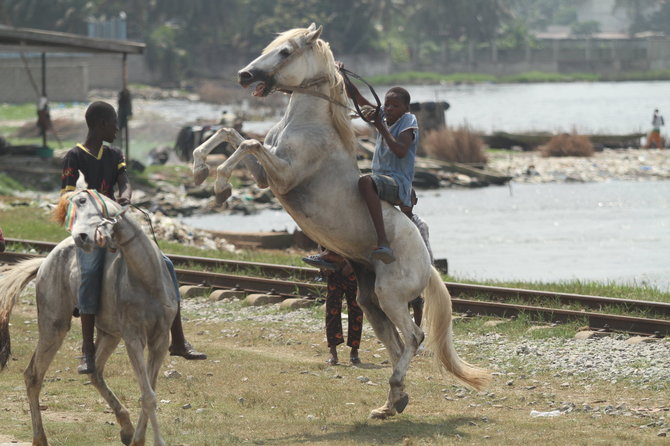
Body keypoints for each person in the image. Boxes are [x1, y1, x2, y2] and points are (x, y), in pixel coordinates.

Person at [61, 101, 206, 375]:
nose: (117, 127)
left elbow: (124, 180)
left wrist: (125, 194)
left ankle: (178, 339)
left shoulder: (114, 153)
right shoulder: (74, 157)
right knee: (90, 273)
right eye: (114, 122)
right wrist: (94, 204)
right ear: (101, 124)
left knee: (165, 264)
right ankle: (87, 349)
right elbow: (68, 196)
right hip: (90, 230)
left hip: (117, 222)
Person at [303, 70, 419, 268]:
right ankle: (334, 251)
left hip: (397, 183)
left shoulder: (408, 121)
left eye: (395, 106)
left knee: (365, 181)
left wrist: (380, 126)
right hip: (381, 180)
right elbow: (356, 96)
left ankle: (383, 242)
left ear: (406, 108)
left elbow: (400, 151)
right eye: (387, 104)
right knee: (345, 189)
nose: (389, 109)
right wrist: (340, 73)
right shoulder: (382, 115)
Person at [320, 250, 362, 365]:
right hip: (333, 273)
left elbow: (359, 247)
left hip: (352, 273)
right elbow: (321, 249)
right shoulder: (326, 232)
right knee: (332, 311)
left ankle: (354, 352)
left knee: (356, 312)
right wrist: (323, 266)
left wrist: (351, 265)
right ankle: (333, 352)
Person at [400, 189, 433, 326]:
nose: (406, 203)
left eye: (410, 199)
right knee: (402, 301)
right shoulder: (395, 221)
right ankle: (407, 329)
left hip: (415, 267)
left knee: (417, 301)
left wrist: (430, 267)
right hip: (400, 267)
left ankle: (417, 328)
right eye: (403, 199)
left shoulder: (420, 224)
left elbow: (426, 248)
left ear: (415, 201)